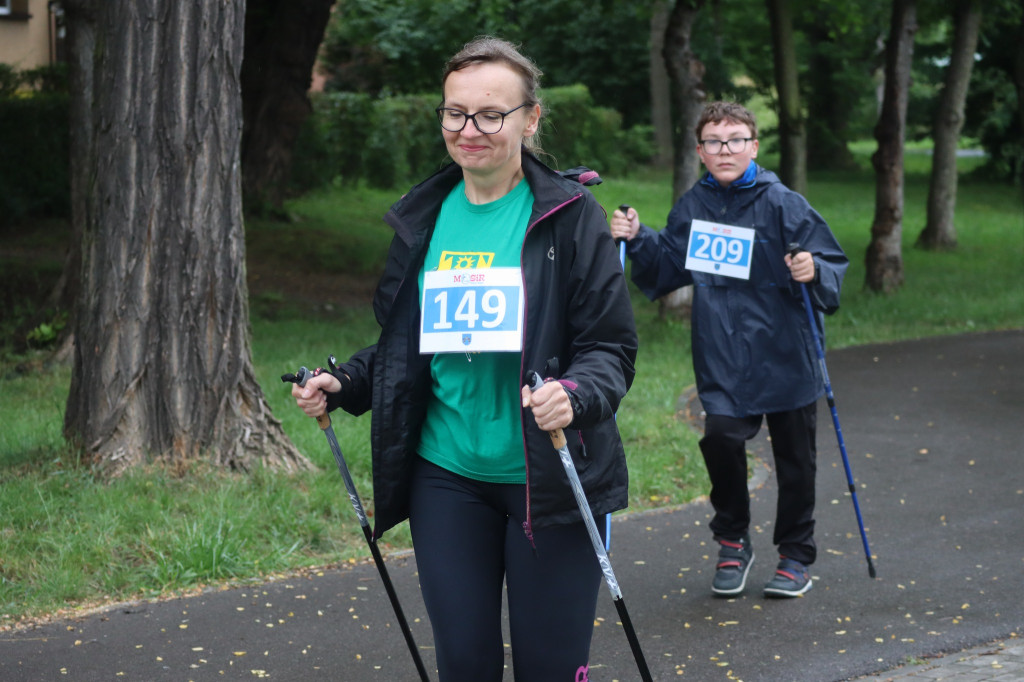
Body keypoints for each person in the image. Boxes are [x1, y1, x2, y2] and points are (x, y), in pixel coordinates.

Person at [292, 37, 637, 680]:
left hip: (549, 476)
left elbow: (610, 348)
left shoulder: (570, 215)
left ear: (530, 119)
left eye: (490, 114)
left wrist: (575, 392)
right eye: (455, 113)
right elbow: (406, 342)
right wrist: (345, 382)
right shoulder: (423, 218)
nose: (469, 129)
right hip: (446, 474)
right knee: (465, 663)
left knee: (549, 666)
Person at [610, 101, 848, 599]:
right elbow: (669, 264)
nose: (726, 150)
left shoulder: (783, 203)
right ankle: (733, 540)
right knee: (719, 436)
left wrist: (813, 270)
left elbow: (828, 262)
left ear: (753, 146)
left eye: (736, 139)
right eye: (715, 142)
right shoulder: (693, 206)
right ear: (700, 151)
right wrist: (639, 236)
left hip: (786, 349)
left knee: (795, 459)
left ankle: (795, 555)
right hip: (722, 351)